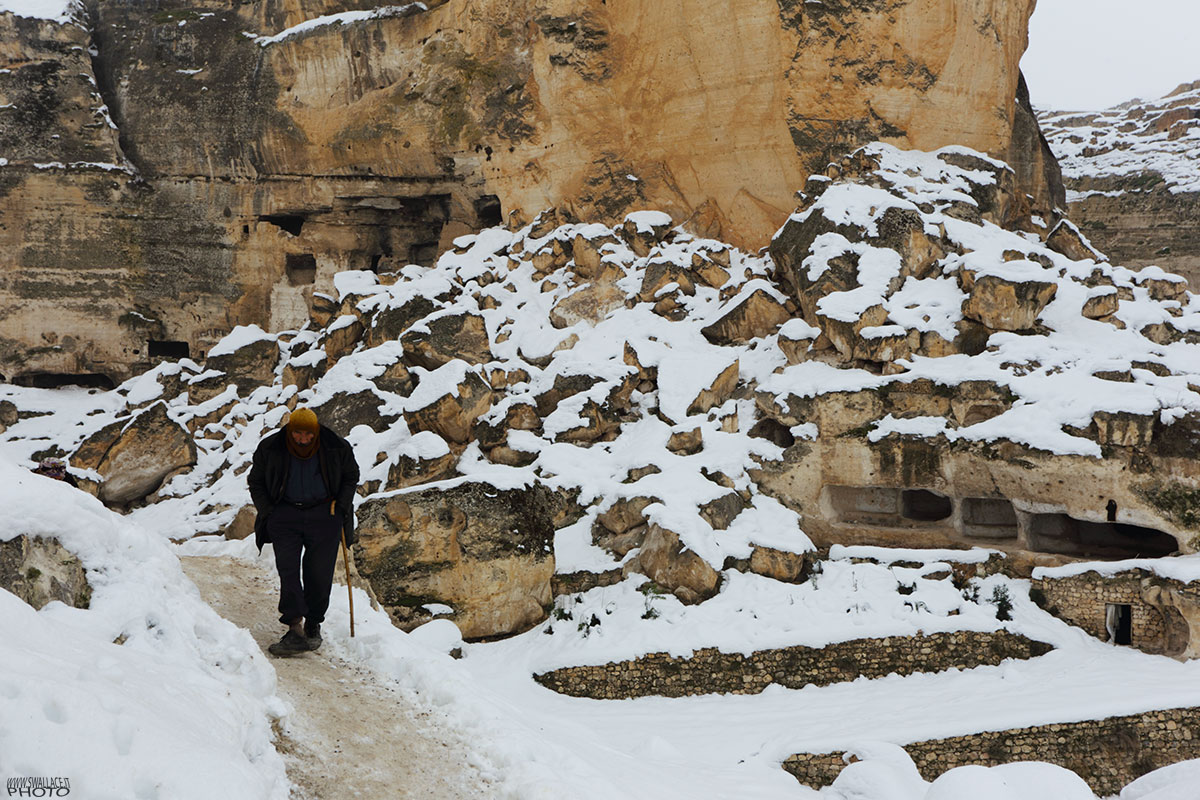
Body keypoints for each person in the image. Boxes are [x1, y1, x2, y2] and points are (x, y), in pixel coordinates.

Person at [248, 408, 359, 657]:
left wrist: (340, 506)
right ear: (290, 430)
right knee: (288, 570)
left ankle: (313, 623)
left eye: (307, 434)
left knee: (319, 572)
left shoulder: (335, 447)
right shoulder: (271, 448)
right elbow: (255, 481)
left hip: (325, 515)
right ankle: (294, 626)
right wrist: (269, 511)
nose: (302, 439)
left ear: (315, 432)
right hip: (285, 515)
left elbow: (351, 476)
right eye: (297, 433)